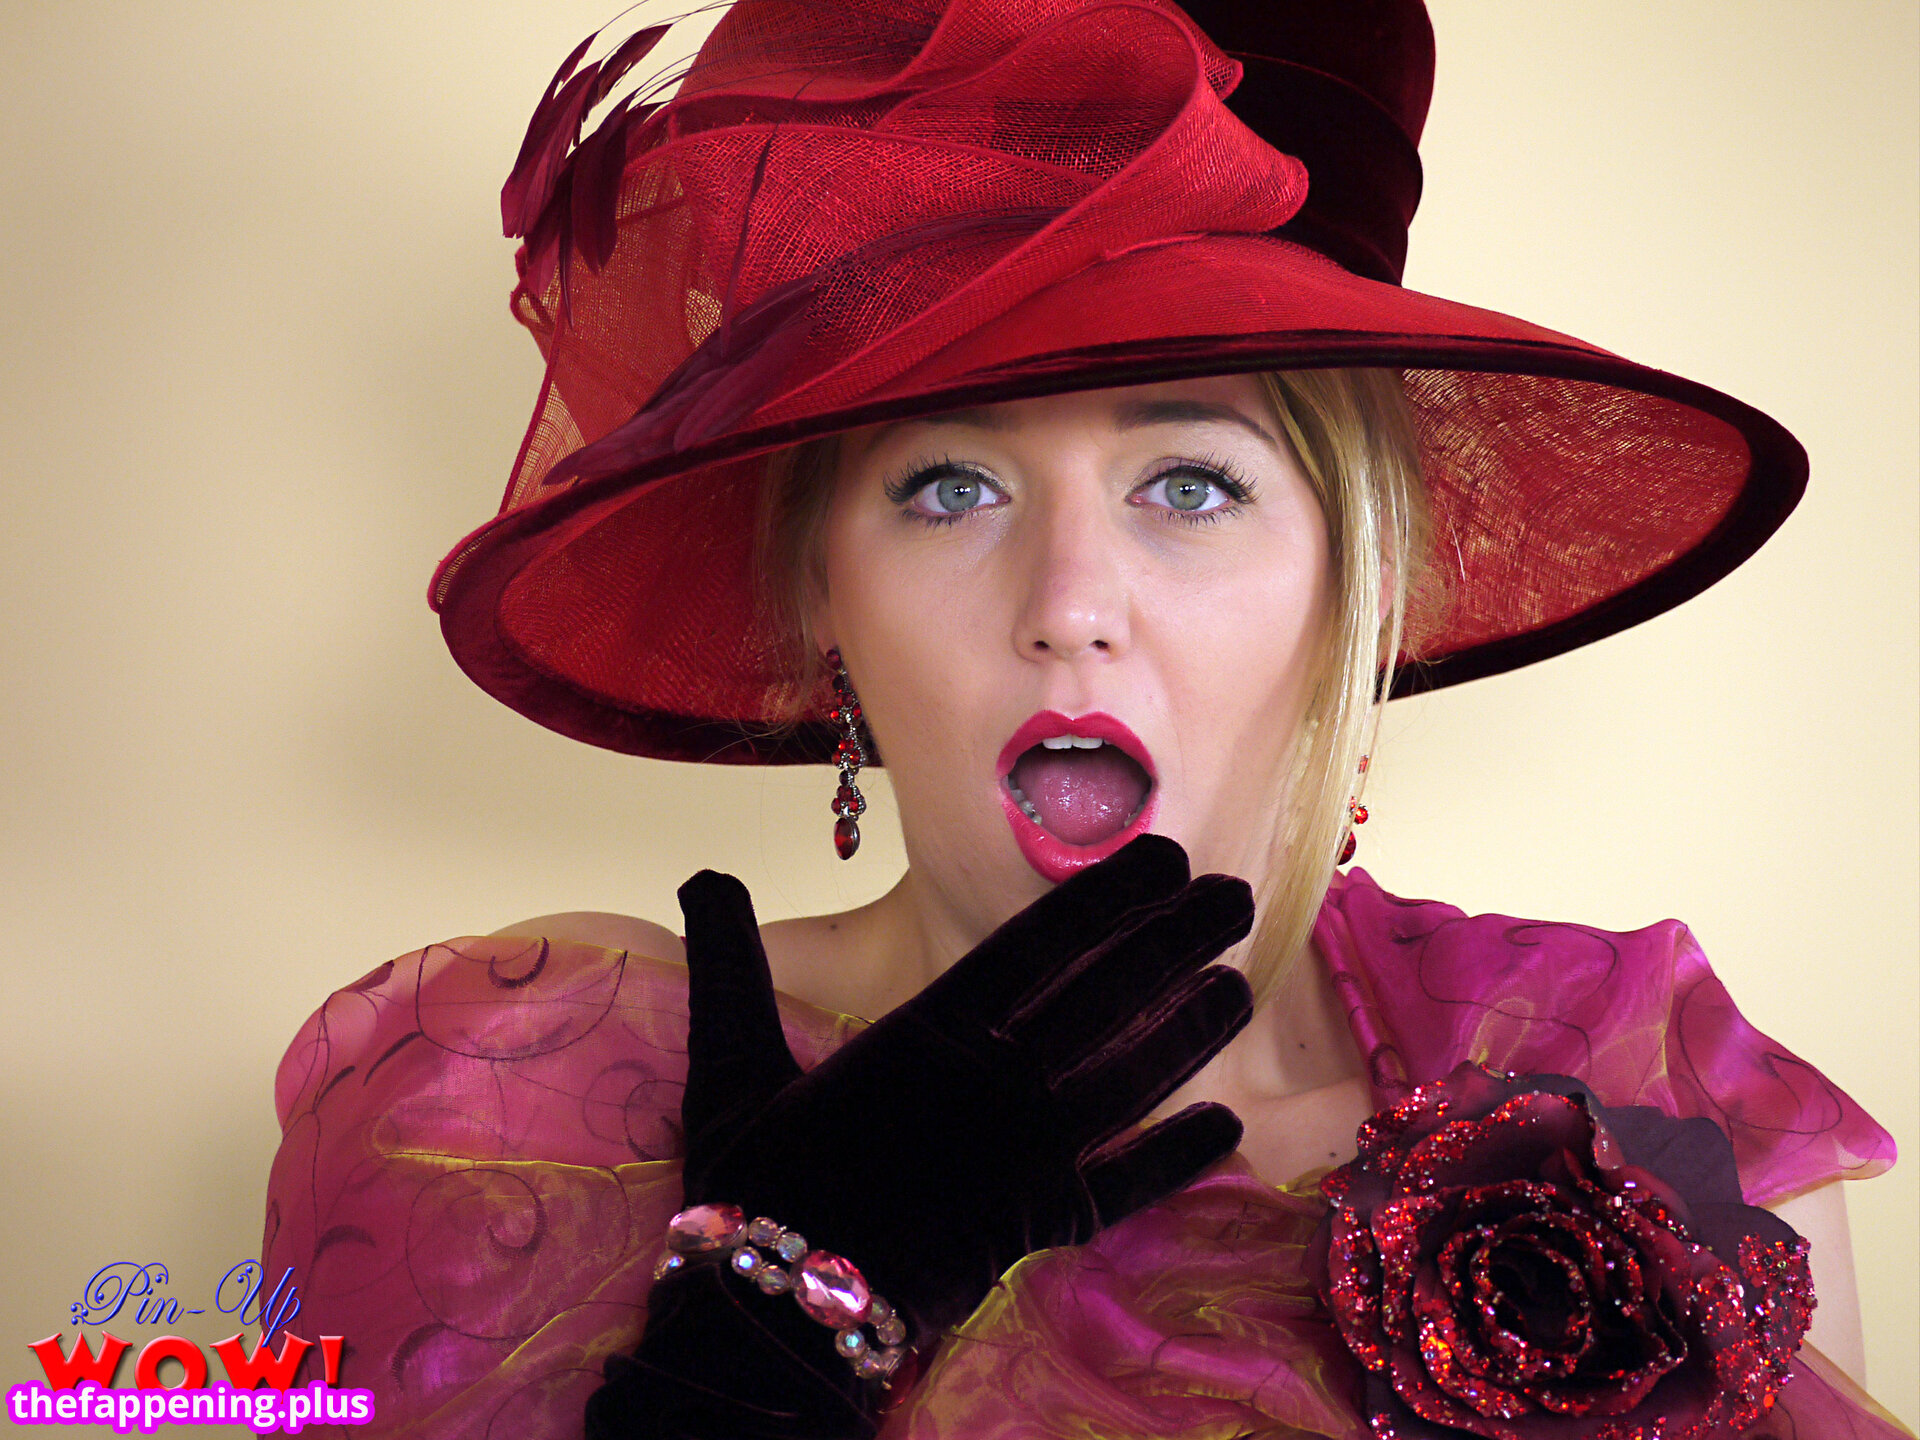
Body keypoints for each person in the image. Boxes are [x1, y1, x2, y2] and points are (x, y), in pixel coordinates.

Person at [260, 1, 1906, 1435]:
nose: (1067, 600)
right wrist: (755, 1351)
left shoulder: (1646, 1089)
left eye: (1189, 483)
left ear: (1357, 582)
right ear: (824, 597)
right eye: (949, 486)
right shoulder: (512, 1104)